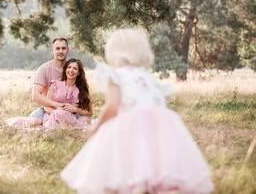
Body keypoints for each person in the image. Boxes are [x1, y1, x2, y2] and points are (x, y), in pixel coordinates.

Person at [60, 28, 214, 194]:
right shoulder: (148, 76)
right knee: (152, 167)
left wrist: (96, 128)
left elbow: (112, 107)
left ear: (114, 53)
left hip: (131, 125)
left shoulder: (115, 75)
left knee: (127, 165)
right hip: (160, 127)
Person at [25, 37, 70, 128]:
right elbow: (35, 96)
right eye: (57, 48)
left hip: (70, 108)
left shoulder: (73, 68)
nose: (61, 51)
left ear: (68, 50)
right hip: (47, 108)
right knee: (32, 123)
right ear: (52, 50)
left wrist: (70, 108)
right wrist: (56, 105)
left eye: (63, 48)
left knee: (85, 122)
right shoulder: (44, 69)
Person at [43, 58, 92, 127]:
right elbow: (46, 107)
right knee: (58, 118)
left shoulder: (82, 89)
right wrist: (56, 112)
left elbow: (90, 113)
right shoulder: (55, 85)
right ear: (65, 69)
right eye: (69, 67)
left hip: (71, 118)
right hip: (52, 116)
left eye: (75, 68)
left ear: (79, 73)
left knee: (83, 122)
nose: (71, 70)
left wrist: (75, 109)